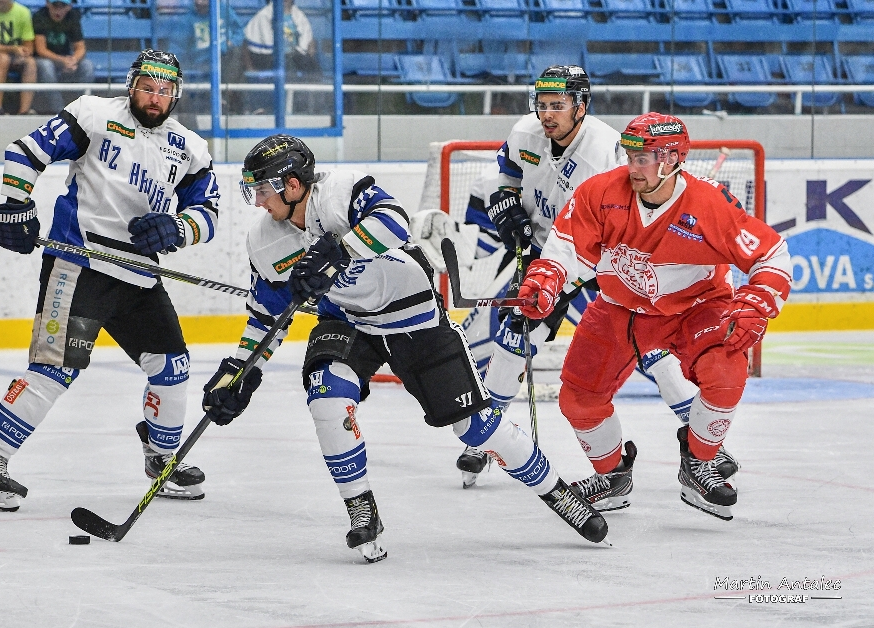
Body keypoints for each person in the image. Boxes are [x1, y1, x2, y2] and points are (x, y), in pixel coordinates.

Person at [203, 134, 609, 563]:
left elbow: (395, 222)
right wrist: (238, 373)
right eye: (253, 191)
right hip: (348, 322)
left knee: (476, 428)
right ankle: (361, 509)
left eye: (263, 190)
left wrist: (339, 253)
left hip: (413, 313)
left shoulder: (340, 189)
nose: (258, 201)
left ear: (292, 184)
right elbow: (266, 317)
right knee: (326, 397)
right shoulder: (264, 241)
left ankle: (557, 493)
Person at [443, 66, 733, 496]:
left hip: (605, 256)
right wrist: (506, 202)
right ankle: (488, 437)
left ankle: (704, 439)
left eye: (558, 105)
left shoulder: (605, 150)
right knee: (514, 333)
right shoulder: (525, 133)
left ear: (581, 106)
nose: (547, 114)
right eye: (542, 104)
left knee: (647, 344)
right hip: (549, 253)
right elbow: (506, 170)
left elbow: (637, 204)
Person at [0, 50, 219, 512]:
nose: (155, 97)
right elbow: (25, 152)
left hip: (139, 275)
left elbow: (209, 213)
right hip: (79, 266)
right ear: (131, 85)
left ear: (176, 95)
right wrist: (15, 204)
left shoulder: (190, 147)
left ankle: (161, 460)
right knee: (54, 370)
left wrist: (177, 228)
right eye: (147, 87)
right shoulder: (94, 114)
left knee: (172, 366)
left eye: (164, 91)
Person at [516, 112, 791, 521]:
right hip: (619, 308)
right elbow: (566, 245)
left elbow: (771, 253)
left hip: (696, 308)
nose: (632, 167)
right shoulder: (600, 192)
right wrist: (547, 277)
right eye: (630, 157)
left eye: (642, 159)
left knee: (727, 369)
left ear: (672, 159)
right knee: (578, 398)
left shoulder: (710, 203)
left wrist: (757, 301)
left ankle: (698, 463)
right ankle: (613, 476)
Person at [32, 0, 93, 114]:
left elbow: (80, 47)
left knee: (87, 66)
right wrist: (62, 60)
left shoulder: (73, 17)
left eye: (63, 6)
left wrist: (73, 60)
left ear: (69, 6)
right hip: (44, 59)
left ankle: (80, 109)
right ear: (48, 4)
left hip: (66, 58)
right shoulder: (40, 17)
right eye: (55, 5)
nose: (58, 10)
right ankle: (59, 110)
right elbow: (41, 50)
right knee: (46, 66)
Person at [0, 0, 37, 115]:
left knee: (30, 63)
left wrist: (23, 53)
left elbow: (29, 45)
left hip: (16, 56)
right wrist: (13, 49)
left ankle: (24, 111)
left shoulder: (23, 12)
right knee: (3, 58)